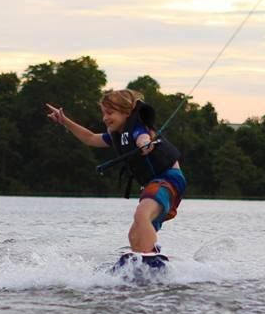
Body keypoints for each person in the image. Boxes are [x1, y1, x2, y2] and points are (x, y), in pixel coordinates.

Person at [45, 89, 186, 254]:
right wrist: (65, 121)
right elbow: (90, 138)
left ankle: (150, 261)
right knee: (134, 235)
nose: (105, 118)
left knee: (142, 215)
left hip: (168, 179)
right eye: (103, 114)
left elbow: (142, 137)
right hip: (154, 184)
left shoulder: (137, 128)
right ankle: (144, 263)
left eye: (110, 113)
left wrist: (145, 143)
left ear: (126, 113)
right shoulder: (117, 135)